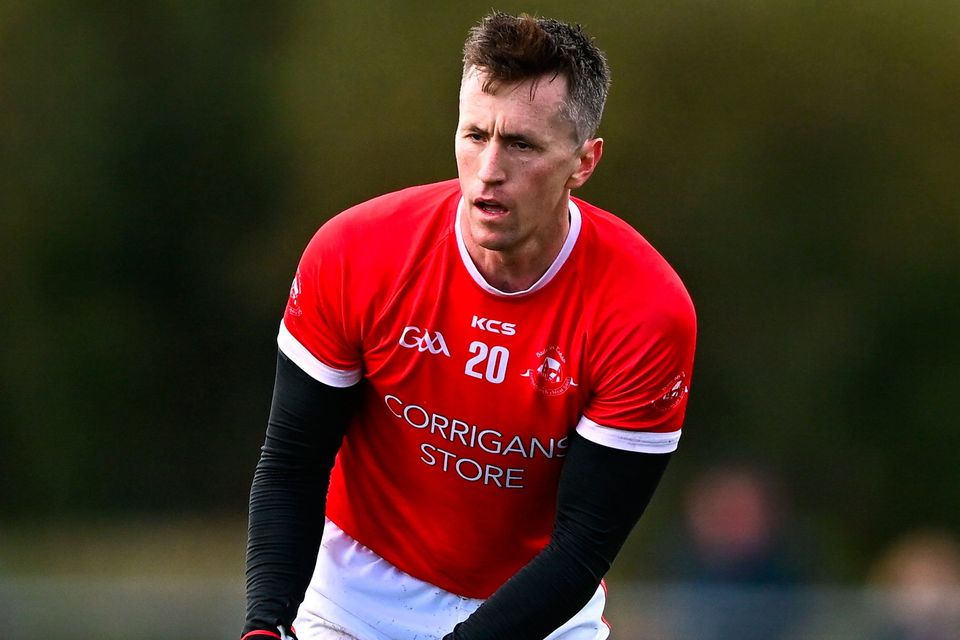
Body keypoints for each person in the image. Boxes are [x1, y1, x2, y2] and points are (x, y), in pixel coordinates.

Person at [241, 11, 696, 640]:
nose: (488, 169)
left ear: (583, 162)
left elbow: (583, 547)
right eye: (475, 134)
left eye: (522, 144)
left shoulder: (646, 313)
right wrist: (265, 627)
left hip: (536, 610)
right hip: (356, 591)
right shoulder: (355, 253)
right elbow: (292, 465)